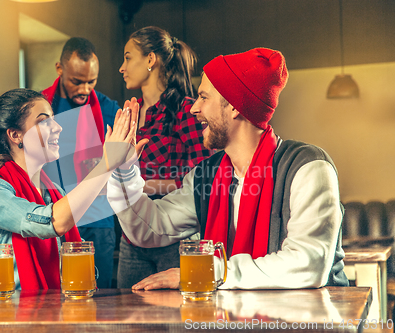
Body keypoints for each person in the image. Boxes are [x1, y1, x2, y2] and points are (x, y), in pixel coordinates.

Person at [108, 48, 348, 289]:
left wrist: (202, 272)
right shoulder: (206, 176)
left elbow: (307, 264)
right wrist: (123, 172)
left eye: (204, 97)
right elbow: (150, 228)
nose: (194, 109)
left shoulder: (307, 167)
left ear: (234, 106)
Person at [0, 88, 143, 290]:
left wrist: (123, 166)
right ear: (16, 135)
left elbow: (76, 258)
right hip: (9, 316)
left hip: (54, 312)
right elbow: (52, 222)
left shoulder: (55, 192)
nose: (58, 127)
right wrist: (106, 163)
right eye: (44, 121)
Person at [116, 26, 213, 288]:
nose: (122, 68)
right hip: (131, 237)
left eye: (127, 57)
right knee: (127, 319)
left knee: (175, 321)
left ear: (150, 60)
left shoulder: (187, 109)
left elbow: (205, 180)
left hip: (175, 239)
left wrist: (143, 185)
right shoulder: (130, 114)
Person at [42, 37, 120, 289]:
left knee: (100, 299)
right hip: (51, 215)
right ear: (59, 69)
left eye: (91, 82)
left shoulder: (109, 109)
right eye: (77, 81)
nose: (85, 89)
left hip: (98, 219)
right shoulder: (40, 107)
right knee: (53, 296)